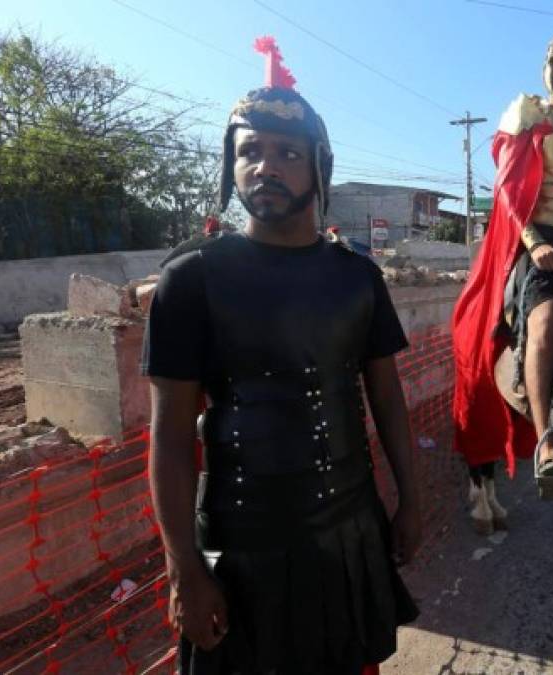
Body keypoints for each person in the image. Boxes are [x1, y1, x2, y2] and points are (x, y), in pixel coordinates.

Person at [143, 85, 420, 674]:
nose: (266, 165)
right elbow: (169, 440)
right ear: (231, 163)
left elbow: (388, 401)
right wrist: (185, 572)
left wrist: (411, 501)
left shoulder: (359, 278)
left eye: (289, 152)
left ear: (320, 168)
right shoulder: (190, 280)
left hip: (350, 531)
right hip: (241, 545)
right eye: (251, 151)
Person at [452, 3, 553, 499]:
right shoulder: (527, 112)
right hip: (534, 238)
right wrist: (535, 241)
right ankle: (549, 438)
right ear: (550, 70)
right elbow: (507, 188)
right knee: (548, 318)